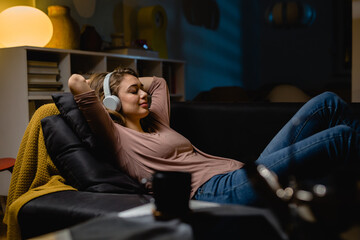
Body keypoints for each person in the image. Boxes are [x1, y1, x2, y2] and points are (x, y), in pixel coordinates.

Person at [68, 67, 360, 206]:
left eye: (139, 89)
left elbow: (157, 82)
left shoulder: (155, 121)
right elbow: (76, 83)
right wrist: (108, 87)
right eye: (134, 92)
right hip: (220, 190)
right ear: (111, 103)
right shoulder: (116, 136)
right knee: (341, 137)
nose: (143, 94)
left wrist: (127, 80)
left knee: (327, 102)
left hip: (246, 172)